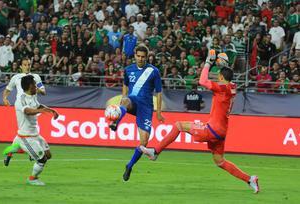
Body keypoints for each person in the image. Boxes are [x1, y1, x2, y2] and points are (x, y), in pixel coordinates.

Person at [140, 50, 260, 193]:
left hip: (213, 129)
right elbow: (228, 76)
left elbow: (202, 81)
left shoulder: (222, 88)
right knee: (220, 161)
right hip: (221, 132)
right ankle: (250, 179)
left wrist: (209, 63)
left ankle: (155, 152)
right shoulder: (232, 87)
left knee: (178, 125)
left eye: (218, 76)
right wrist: (224, 65)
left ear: (221, 77)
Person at [109, 45, 165, 181]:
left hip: (146, 108)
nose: (140, 59)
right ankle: (115, 122)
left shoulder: (153, 71)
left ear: (147, 57)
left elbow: (159, 92)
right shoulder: (129, 70)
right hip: (133, 102)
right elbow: (125, 85)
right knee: (125, 101)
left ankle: (129, 165)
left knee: (144, 142)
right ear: (135, 55)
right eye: (138, 56)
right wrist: (123, 97)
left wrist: (158, 112)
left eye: (143, 57)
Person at [3, 75, 59, 185]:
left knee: (48, 155)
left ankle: (13, 149)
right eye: (34, 85)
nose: (36, 88)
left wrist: (51, 110)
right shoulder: (20, 100)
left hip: (35, 134)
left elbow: (38, 106)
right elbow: (28, 111)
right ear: (28, 87)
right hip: (26, 137)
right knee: (42, 159)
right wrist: (42, 111)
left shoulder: (33, 96)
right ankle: (32, 179)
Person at [2, 58, 46, 166]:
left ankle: (10, 152)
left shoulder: (35, 77)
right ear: (21, 66)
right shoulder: (16, 78)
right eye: (25, 64)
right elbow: (8, 90)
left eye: (29, 64)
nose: (27, 66)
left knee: (26, 130)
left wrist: (38, 89)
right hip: (22, 107)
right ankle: (31, 153)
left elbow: (44, 92)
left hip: (33, 104)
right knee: (27, 130)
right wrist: (5, 98)